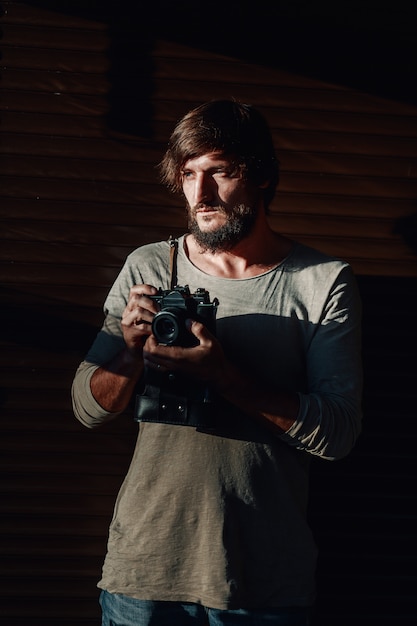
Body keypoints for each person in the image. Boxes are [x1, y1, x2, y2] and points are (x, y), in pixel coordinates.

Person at [72, 99, 363, 626]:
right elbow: (87, 408)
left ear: (262, 177)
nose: (200, 196)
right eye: (187, 175)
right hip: (144, 570)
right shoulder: (149, 266)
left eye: (219, 172)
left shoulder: (320, 281)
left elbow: (339, 432)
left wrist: (225, 378)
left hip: (263, 580)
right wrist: (131, 349)